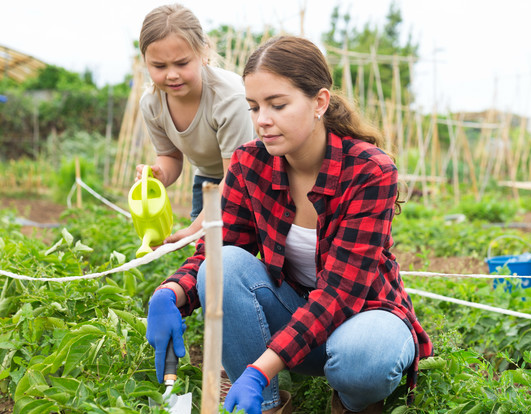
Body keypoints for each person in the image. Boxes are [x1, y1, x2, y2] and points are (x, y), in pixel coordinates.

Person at [145, 35, 432, 414]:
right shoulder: (251, 164)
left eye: (277, 105)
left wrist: (259, 370)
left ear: (319, 102)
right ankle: (263, 407)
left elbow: (340, 296)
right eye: (254, 107)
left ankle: (350, 401)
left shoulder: (368, 171)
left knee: (364, 359)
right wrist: (170, 294)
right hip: (298, 318)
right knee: (223, 262)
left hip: (363, 317)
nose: (263, 121)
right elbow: (220, 250)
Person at [137, 4, 253, 244]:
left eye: (181, 63)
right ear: (146, 62)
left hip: (255, 178)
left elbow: (235, 175)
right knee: (206, 257)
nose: (171, 74)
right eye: (159, 66)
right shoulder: (152, 104)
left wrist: (195, 228)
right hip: (209, 179)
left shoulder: (228, 98)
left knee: (239, 252)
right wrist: (160, 175)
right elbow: (170, 157)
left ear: (204, 53)